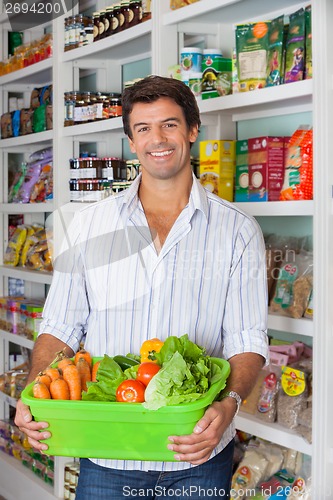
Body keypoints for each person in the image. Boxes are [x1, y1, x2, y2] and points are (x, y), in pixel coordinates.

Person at [15, 75, 268, 499]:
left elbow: (247, 339)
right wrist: (36, 392)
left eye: (170, 124)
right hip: (108, 454)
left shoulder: (237, 231)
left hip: (196, 451)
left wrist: (230, 405)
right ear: (131, 141)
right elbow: (61, 326)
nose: (158, 139)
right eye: (143, 128)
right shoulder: (91, 225)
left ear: (192, 129)